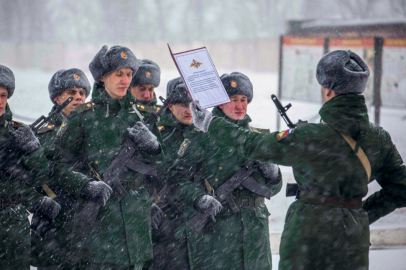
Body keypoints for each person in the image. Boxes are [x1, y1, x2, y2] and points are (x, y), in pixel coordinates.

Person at [190, 51, 406, 270]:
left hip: (308, 238)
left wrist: (211, 124)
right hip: (353, 241)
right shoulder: (379, 139)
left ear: (328, 89)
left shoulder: (310, 135)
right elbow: (402, 188)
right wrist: (360, 214)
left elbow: (253, 144)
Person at [54, 45, 163, 269]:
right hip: (101, 227)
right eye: (118, 74)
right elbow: (56, 165)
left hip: (136, 225)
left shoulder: (143, 116)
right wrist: (85, 185)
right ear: (103, 78)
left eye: (129, 74)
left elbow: (165, 169)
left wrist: (155, 148)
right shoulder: (83, 116)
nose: (125, 80)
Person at [188, 72, 282, 270]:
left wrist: (273, 173)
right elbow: (179, 177)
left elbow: (275, 188)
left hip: (255, 229)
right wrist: (198, 198)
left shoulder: (258, 137)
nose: (240, 106)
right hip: (221, 228)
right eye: (233, 100)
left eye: (244, 100)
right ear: (220, 103)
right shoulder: (203, 137)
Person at [148, 77, 221, 270]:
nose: (189, 110)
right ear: (170, 106)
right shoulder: (158, 134)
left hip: (203, 221)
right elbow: (163, 176)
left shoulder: (208, 134)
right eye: (182, 105)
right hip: (168, 221)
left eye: (192, 105)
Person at [0, 65, 61, 269]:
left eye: (3, 95)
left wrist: (33, 150)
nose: (0, 101)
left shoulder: (16, 133)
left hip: (13, 223)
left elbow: (41, 175)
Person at [31, 68, 92, 269]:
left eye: (82, 93)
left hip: (88, 222)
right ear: (57, 99)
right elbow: (37, 176)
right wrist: (52, 198)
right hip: (56, 223)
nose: (78, 98)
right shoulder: (42, 133)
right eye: (71, 93)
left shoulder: (93, 130)